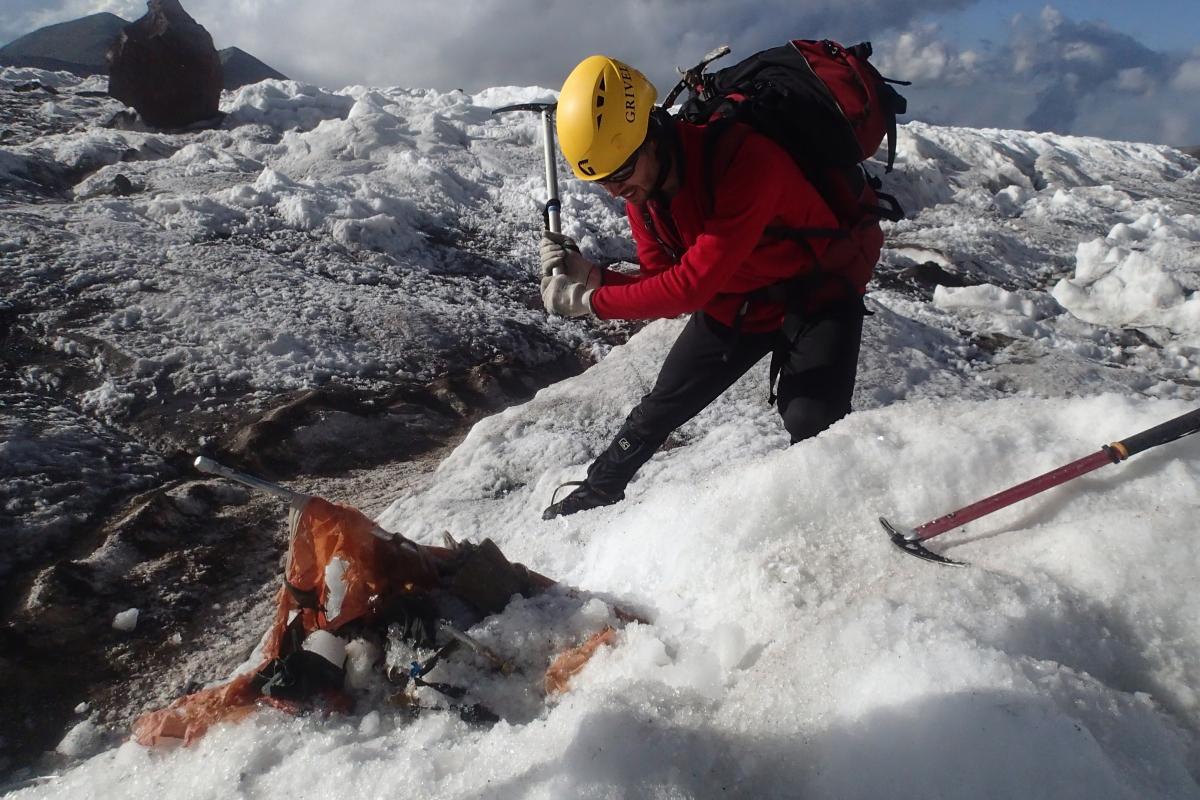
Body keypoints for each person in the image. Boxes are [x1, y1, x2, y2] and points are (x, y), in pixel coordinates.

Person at [539, 54, 884, 519]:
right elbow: (662, 280)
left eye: (619, 174)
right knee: (662, 405)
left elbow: (689, 288)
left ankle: (844, 515)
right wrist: (592, 274)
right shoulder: (645, 194)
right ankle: (597, 494)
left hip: (819, 287)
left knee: (810, 417)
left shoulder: (746, 159)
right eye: (601, 181)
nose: (614, 191)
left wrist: (590, 302)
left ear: (649, 137)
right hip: (742, 297)